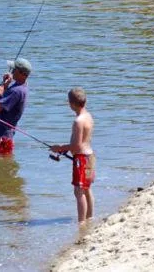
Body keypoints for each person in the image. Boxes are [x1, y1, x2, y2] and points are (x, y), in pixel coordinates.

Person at [51, 87, 95, 224]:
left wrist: (60, 148)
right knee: (87, 189)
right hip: (90, 156)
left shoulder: (78, 121)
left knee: (78, 192)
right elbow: (82, 143)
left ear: (71, 104)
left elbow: (76, 146)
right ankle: (90, 217)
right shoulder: (88, 116)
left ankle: (81, 223)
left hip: (81, 159)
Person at [0, 57, 31, 155]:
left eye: (13, 70)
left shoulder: (16, 91)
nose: (11, 71)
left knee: (0, 162)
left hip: (2, 135)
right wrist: (6, 86)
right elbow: (6, 102)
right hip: (2, 133)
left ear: (21, 74)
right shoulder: (20, 86)